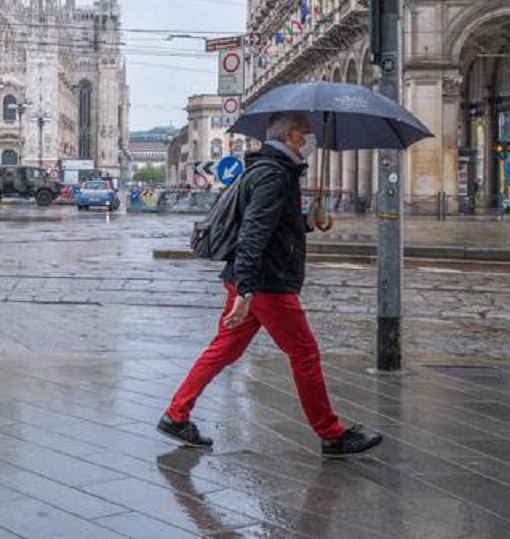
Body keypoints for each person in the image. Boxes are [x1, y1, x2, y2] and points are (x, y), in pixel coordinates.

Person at [158, 111, 383, 457]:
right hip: (266, 282)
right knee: (304, 354)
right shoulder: (274, 175)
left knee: (225, 348)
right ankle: (331, 434)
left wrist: (307, 222)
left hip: (252, 279)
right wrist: (246, 291)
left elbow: (274, 228)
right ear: (292, 137)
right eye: (306, 134)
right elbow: (253, 234)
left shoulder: (271, 171)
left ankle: (176, 414)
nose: (310, 141)